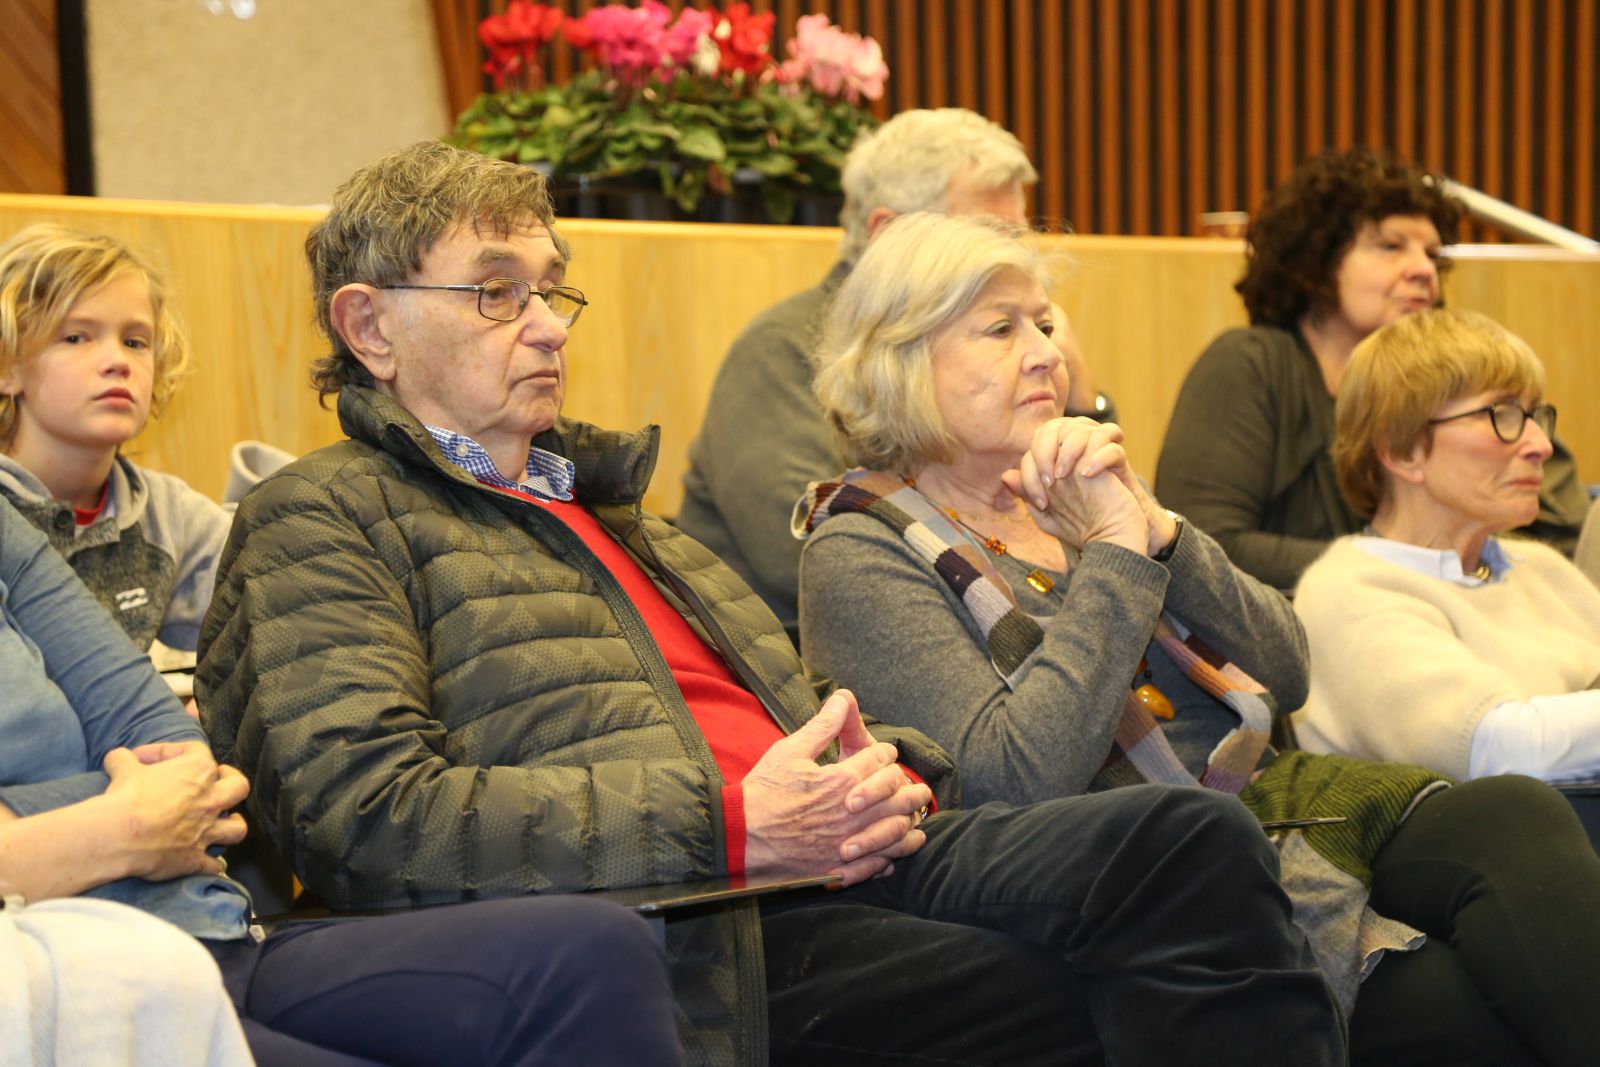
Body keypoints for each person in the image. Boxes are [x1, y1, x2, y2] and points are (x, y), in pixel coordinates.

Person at [197, 140, 1347, 1067]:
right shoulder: (321, 517)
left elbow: (796, 720)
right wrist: (736, 820)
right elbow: (366, 818)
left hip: (840, 854)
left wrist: (894, 764)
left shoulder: (625, 517)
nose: (547, 323)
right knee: (1085, 981)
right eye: (498, 292)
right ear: (369, 326)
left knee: (1184, 839)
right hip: (695, 912)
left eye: (550, 288)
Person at [796, 212, 1600, 1067]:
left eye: (1044, 323)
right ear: (901, 360)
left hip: (1273, 801)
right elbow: (1011, 779)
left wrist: (1159, 529)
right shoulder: (859, 549)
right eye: (1001, 329)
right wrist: (1116, 553)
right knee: (1472, 1009)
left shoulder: (1074, 488)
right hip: (1141, 877)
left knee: (1514, 813)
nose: (1044, 353)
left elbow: (1286, 671)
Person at [0, 493, 683, 1066]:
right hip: (63, 983)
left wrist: (43, 834)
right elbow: (347, 803)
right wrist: (126, 825)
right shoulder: (319, 509)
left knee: (596, 951)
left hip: (207, 929)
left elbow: (179, 756)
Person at [678, 107, 1112, 638]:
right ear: (887, 233)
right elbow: (799, 551)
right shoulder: (782, 347)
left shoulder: (1018, 343)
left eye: (1017, 238)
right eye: (983, 233)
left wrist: (1085, 406)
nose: (1008, 257)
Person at [1154, 147, 1589, 592]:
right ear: (1318, 260)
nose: (1424, 270)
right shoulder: (1251, 364)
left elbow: (1567, 531)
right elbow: (1200, 545)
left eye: (1432, 255)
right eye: (1390, 247)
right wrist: (1412, 566)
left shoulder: (1458, 381)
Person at [1294, 308, 1600, 791]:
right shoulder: (1350, 592)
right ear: (1402, 451)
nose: (1541, 445)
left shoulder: (1543, 569)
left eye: (1535, 415)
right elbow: (1498, 749)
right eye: (1502, 414)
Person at [0, 225, 231, 656]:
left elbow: (275, 606)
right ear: (8, 365)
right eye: (75, 337)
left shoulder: (166, 515)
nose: (117, 361)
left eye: (134, 342)